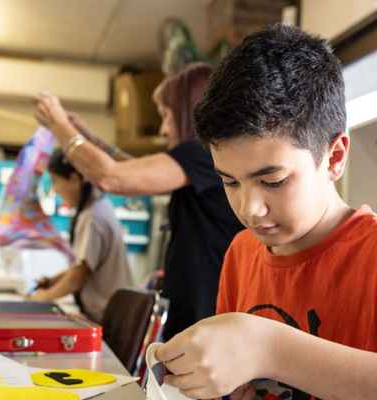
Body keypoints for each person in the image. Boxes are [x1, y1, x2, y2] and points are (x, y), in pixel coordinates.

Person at [155, 24, 377, 400]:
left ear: (335, 156)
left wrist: (270, 349)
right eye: (230, 182)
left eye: (272, 181)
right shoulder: (242, 254)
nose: (249, 209)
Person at [34, 63, 243, 340]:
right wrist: (86, 136)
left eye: (167, 116)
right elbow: (132, 168)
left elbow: (112, 177)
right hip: (195, 308)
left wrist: (59, 126)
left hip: (204, 311)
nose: (165, 128)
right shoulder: (197, 162)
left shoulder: (202, 153)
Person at [29, 149, 133, 323]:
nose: (54, 190)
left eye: (55, 181)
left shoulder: (92, 216)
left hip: (108, 319)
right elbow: (82, 265)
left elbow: (77, 277)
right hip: (112, 313)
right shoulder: (98, 206)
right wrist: (50, 282)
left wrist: (40, 298)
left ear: (75, 179)